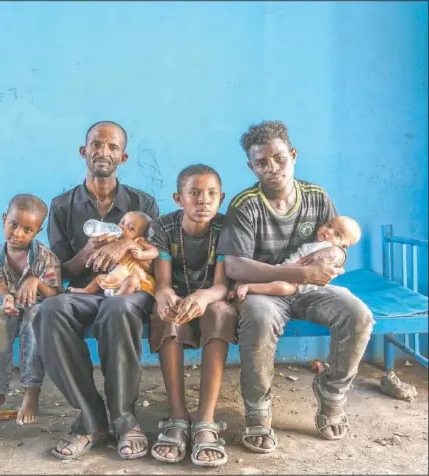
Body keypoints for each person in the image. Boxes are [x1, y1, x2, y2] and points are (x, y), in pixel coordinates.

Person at [217, 121, 374, 453]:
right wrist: (292, 273)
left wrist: (332, 258)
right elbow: (234, 265)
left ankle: (331, 393)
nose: (272, 168)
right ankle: (258, 412)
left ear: (293, 154)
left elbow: (339, 245)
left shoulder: (317, 197)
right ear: (251, 166)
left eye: (279, 158)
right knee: (258, 318)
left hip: (313, 288)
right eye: (262, 163)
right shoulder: (245, 204)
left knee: (358, 314)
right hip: (265, 290)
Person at [32, 121, 159, 461]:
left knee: (117, 309)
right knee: (49, 311)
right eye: (97, 145)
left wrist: (122, 247)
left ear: (124, 156)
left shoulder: (142, 203)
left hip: (130, 289)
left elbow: (154, 258)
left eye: (112, 147)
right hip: (85, 290)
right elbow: (59, 271)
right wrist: (87, 252)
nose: (104, 152)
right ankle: (91, 419)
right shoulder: (62, 205)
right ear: (83, 151)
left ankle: (124, 419)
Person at [148, 165, 237, 468]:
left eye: (212, 194)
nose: (204, 200)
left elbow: (223, 286)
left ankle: (205, 421)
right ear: (178, 198)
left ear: (221, 197)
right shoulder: (163, 227)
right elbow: (161, 283)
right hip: (179, 296)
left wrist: (204, 296)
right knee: (167, 313)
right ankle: (177, 416)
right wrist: (165, 295)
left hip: (211, 298)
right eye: (194, 193)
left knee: (221, 312)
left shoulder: (227, 227)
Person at [0, 194, 62, 426]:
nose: (17, 234)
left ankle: (31, 391)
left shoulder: (45, 257)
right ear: (5, 219)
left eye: (27, 230)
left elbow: (56, 295)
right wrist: (6, 300)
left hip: (39, 306)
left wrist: (36, 280)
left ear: (37, 231)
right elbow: (2, 288)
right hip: (13, 307)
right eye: (13, 225)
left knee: (34, 316)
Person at [229, 216, 362, 300]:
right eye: (329, 225)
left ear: (343, 246)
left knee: (282, 286)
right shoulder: (315, 245)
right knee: (285, 288)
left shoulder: (326, 250)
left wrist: (338, 254)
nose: (329, 231)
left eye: (337, 234)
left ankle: (245, 286)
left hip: (297, 280)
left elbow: (322, 267)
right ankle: (248, 287)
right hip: (290, 275)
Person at [67, 211, 158, 297]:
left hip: (132, 278)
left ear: (141, 237)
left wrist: (142, 254)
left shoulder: (138, 242)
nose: (122, 227)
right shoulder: (114, 240)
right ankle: (87, 290)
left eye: (131, 228)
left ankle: (116, 299)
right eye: (122, 222)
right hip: (115, 278)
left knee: (132, 281)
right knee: (98, 279)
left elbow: (154, 251)